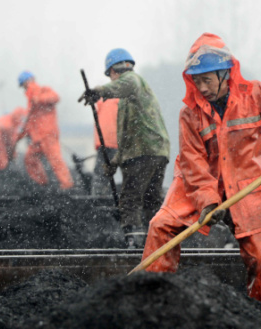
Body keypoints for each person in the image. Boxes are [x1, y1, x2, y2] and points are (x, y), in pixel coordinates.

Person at [141, 33, 261, 309]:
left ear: (225, 73)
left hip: (246, 185)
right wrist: (208, 201)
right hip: (195, 183)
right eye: (196, 80)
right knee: (160, 226)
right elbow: (192, 162)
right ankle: (151, 302)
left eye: (206, 79)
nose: (201, 86)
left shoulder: (255, 94)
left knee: (259, 256)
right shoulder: (190, 114)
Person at [79, 48, 170, 248]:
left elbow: (127, 82)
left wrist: (100, 91)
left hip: (143, 153)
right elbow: (126, 137)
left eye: (110, 76)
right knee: (151, 199)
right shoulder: (130, 101)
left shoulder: (133, 81)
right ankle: (158, 242)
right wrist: (115, 162)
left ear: (113, 71)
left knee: (129, 199)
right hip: (157, 151)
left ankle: (133, 243)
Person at [18, 71, 74, 190]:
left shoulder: (43, 90)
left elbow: (55, 97)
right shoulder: (30, 100)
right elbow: (30, 121)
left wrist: (39, 98)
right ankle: (42, 184)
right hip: (37, 137)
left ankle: (67, 185)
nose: (26, 87)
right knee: (30, 159)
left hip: (48, 134)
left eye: (25, 84)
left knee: (55, 160)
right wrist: (19, 136)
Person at [91, 97, 119, 196]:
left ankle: (98, 196)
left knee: (101, 171)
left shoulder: (103, 99)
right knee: (107, 171)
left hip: (104, 139)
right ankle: (103, 195)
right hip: (114, 140)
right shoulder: (121, 99)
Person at [0, 107, 26, 172]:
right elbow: (11, 143)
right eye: (21, 118)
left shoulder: (4, 119)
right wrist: (13, 155)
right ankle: (1, 177)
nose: (21, 121)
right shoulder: (9, 126)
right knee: (2, 167)